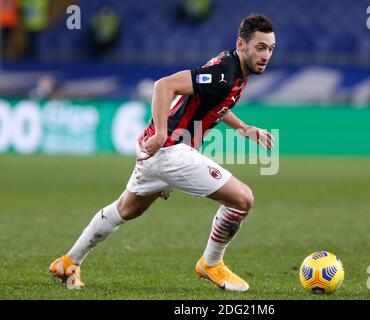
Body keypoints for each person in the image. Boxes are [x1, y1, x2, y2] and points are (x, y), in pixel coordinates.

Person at [49, 14, 276, 292]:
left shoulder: (232, 69)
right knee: (242, 199)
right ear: (242, 44)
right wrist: (160, 133)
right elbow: (164, 85)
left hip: (157, 152)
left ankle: (68, 261)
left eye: (271, 49)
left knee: (126, 209)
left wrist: (243, 128)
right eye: (260, 47)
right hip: (170, 149)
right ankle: (211, 263)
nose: (266, 55)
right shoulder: (225, 73)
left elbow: (216, 101)